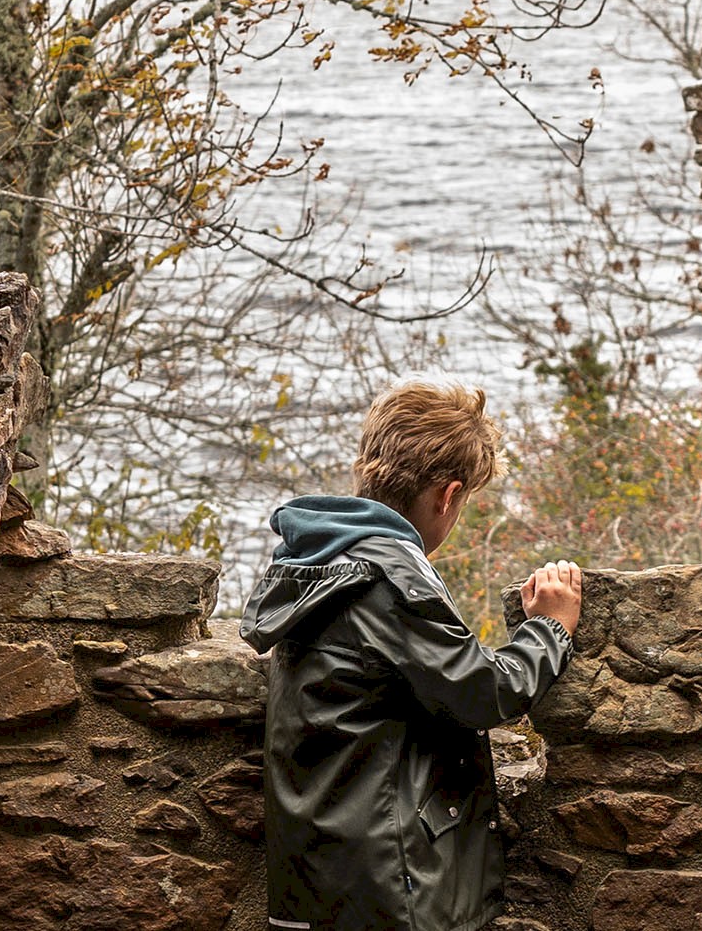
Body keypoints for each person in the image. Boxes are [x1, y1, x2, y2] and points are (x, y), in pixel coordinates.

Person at [240, 381, 585, 931]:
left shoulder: (318, 558)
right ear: (448, 495)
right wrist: (549, 626)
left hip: (320, 870)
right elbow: (483, 692)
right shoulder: (390, 577)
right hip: (385, 885)